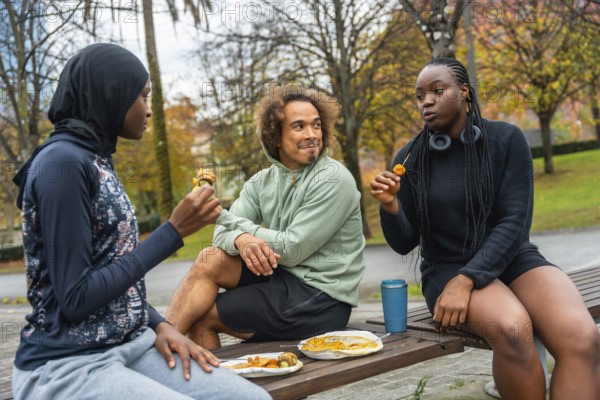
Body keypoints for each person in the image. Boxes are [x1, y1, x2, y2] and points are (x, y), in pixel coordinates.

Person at [11, 43, 270, 400]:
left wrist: (158, 322)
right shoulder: (63, 165)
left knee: (252, 397)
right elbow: (74, 297)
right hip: (67, 365)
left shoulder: (95, 158)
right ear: (111, 94)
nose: (149, 111)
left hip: (132, 345)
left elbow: (110, 268)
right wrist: (173, 232)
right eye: (142, 96)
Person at [370, 57, 600, 399]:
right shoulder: (410, 158)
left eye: (437, 90)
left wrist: (470, 279)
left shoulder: (506, 140)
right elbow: (405, 242)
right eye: (420, 96)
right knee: (512, 329)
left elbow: (515, 223)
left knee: (583, 338)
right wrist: (391, 206)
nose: (427, 101)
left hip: (513, 259)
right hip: (447, 270)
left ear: (464, 92)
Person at [166, 86, 366, 349]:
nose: (312, 135)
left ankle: (190, 374)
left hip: (321, 299)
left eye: (316, 125)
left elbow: (292, 249)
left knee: (201, 316)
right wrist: (242, 239)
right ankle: (159, 341)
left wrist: (231, 223)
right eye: (299, 126)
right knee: (210, 258)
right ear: (275, 137)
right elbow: (220, 236)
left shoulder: (332, 178)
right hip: (282, 277)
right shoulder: (262, 181)